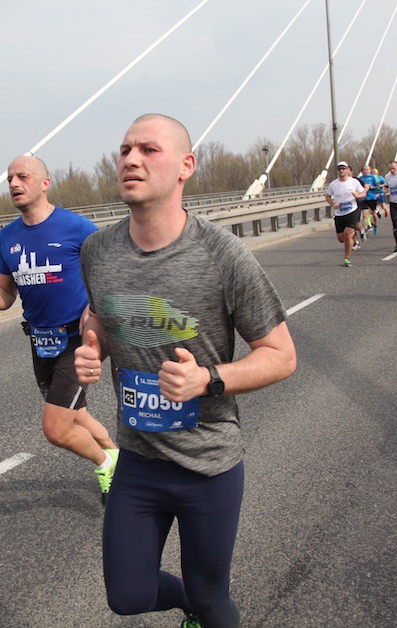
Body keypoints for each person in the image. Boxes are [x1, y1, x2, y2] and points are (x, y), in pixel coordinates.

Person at [74, 114, 296, 627]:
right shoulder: (97, 251)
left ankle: (201, 608)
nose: (130, 159)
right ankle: (190, 604)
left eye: (148, 149)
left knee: (211, 598)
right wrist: (92, 344)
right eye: (124, 150)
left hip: (208, 463)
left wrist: (207, 380)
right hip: (138, 459)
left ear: (185, 166)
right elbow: (100, 313)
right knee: (127, 596)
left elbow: (282, 354)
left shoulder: (223, 255)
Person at [0, 155, 118, 501]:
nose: (14, 183)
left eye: (22, 176)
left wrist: (95, 312)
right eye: (9, 178)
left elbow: (110, 275)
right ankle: (117, 455)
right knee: (77, 414)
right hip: (41, 342)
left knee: (56, 429)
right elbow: (8, 294)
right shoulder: (7, 237)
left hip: (77, 340)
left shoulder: (78, 228)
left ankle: (108, 465)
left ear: (45, 183)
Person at [325, 161, 367, 266]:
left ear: (347, 169)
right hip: (339, 213)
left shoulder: (354, 182)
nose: (341, 170)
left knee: (348, 234)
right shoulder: (333, 184)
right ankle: (353, 238)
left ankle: (347, 258)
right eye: (339, 169)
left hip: (352, 211)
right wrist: (333, 204)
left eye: (343, 168)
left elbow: (363, 193)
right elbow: (327, 196)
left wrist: (358, 195)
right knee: (341, 239)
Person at [357, 164, 383, 235]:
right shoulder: (360, 179)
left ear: (370, 170)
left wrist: (370, 187)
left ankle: (375, 225)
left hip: (372, 197)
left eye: (367, 169)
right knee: (364, 215)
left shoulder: (373, 177)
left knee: (373, 213)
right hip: (364, 198)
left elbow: (378, 187)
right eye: (364, 170)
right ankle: (365, 230)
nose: (365, 171)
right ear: (362, 171)